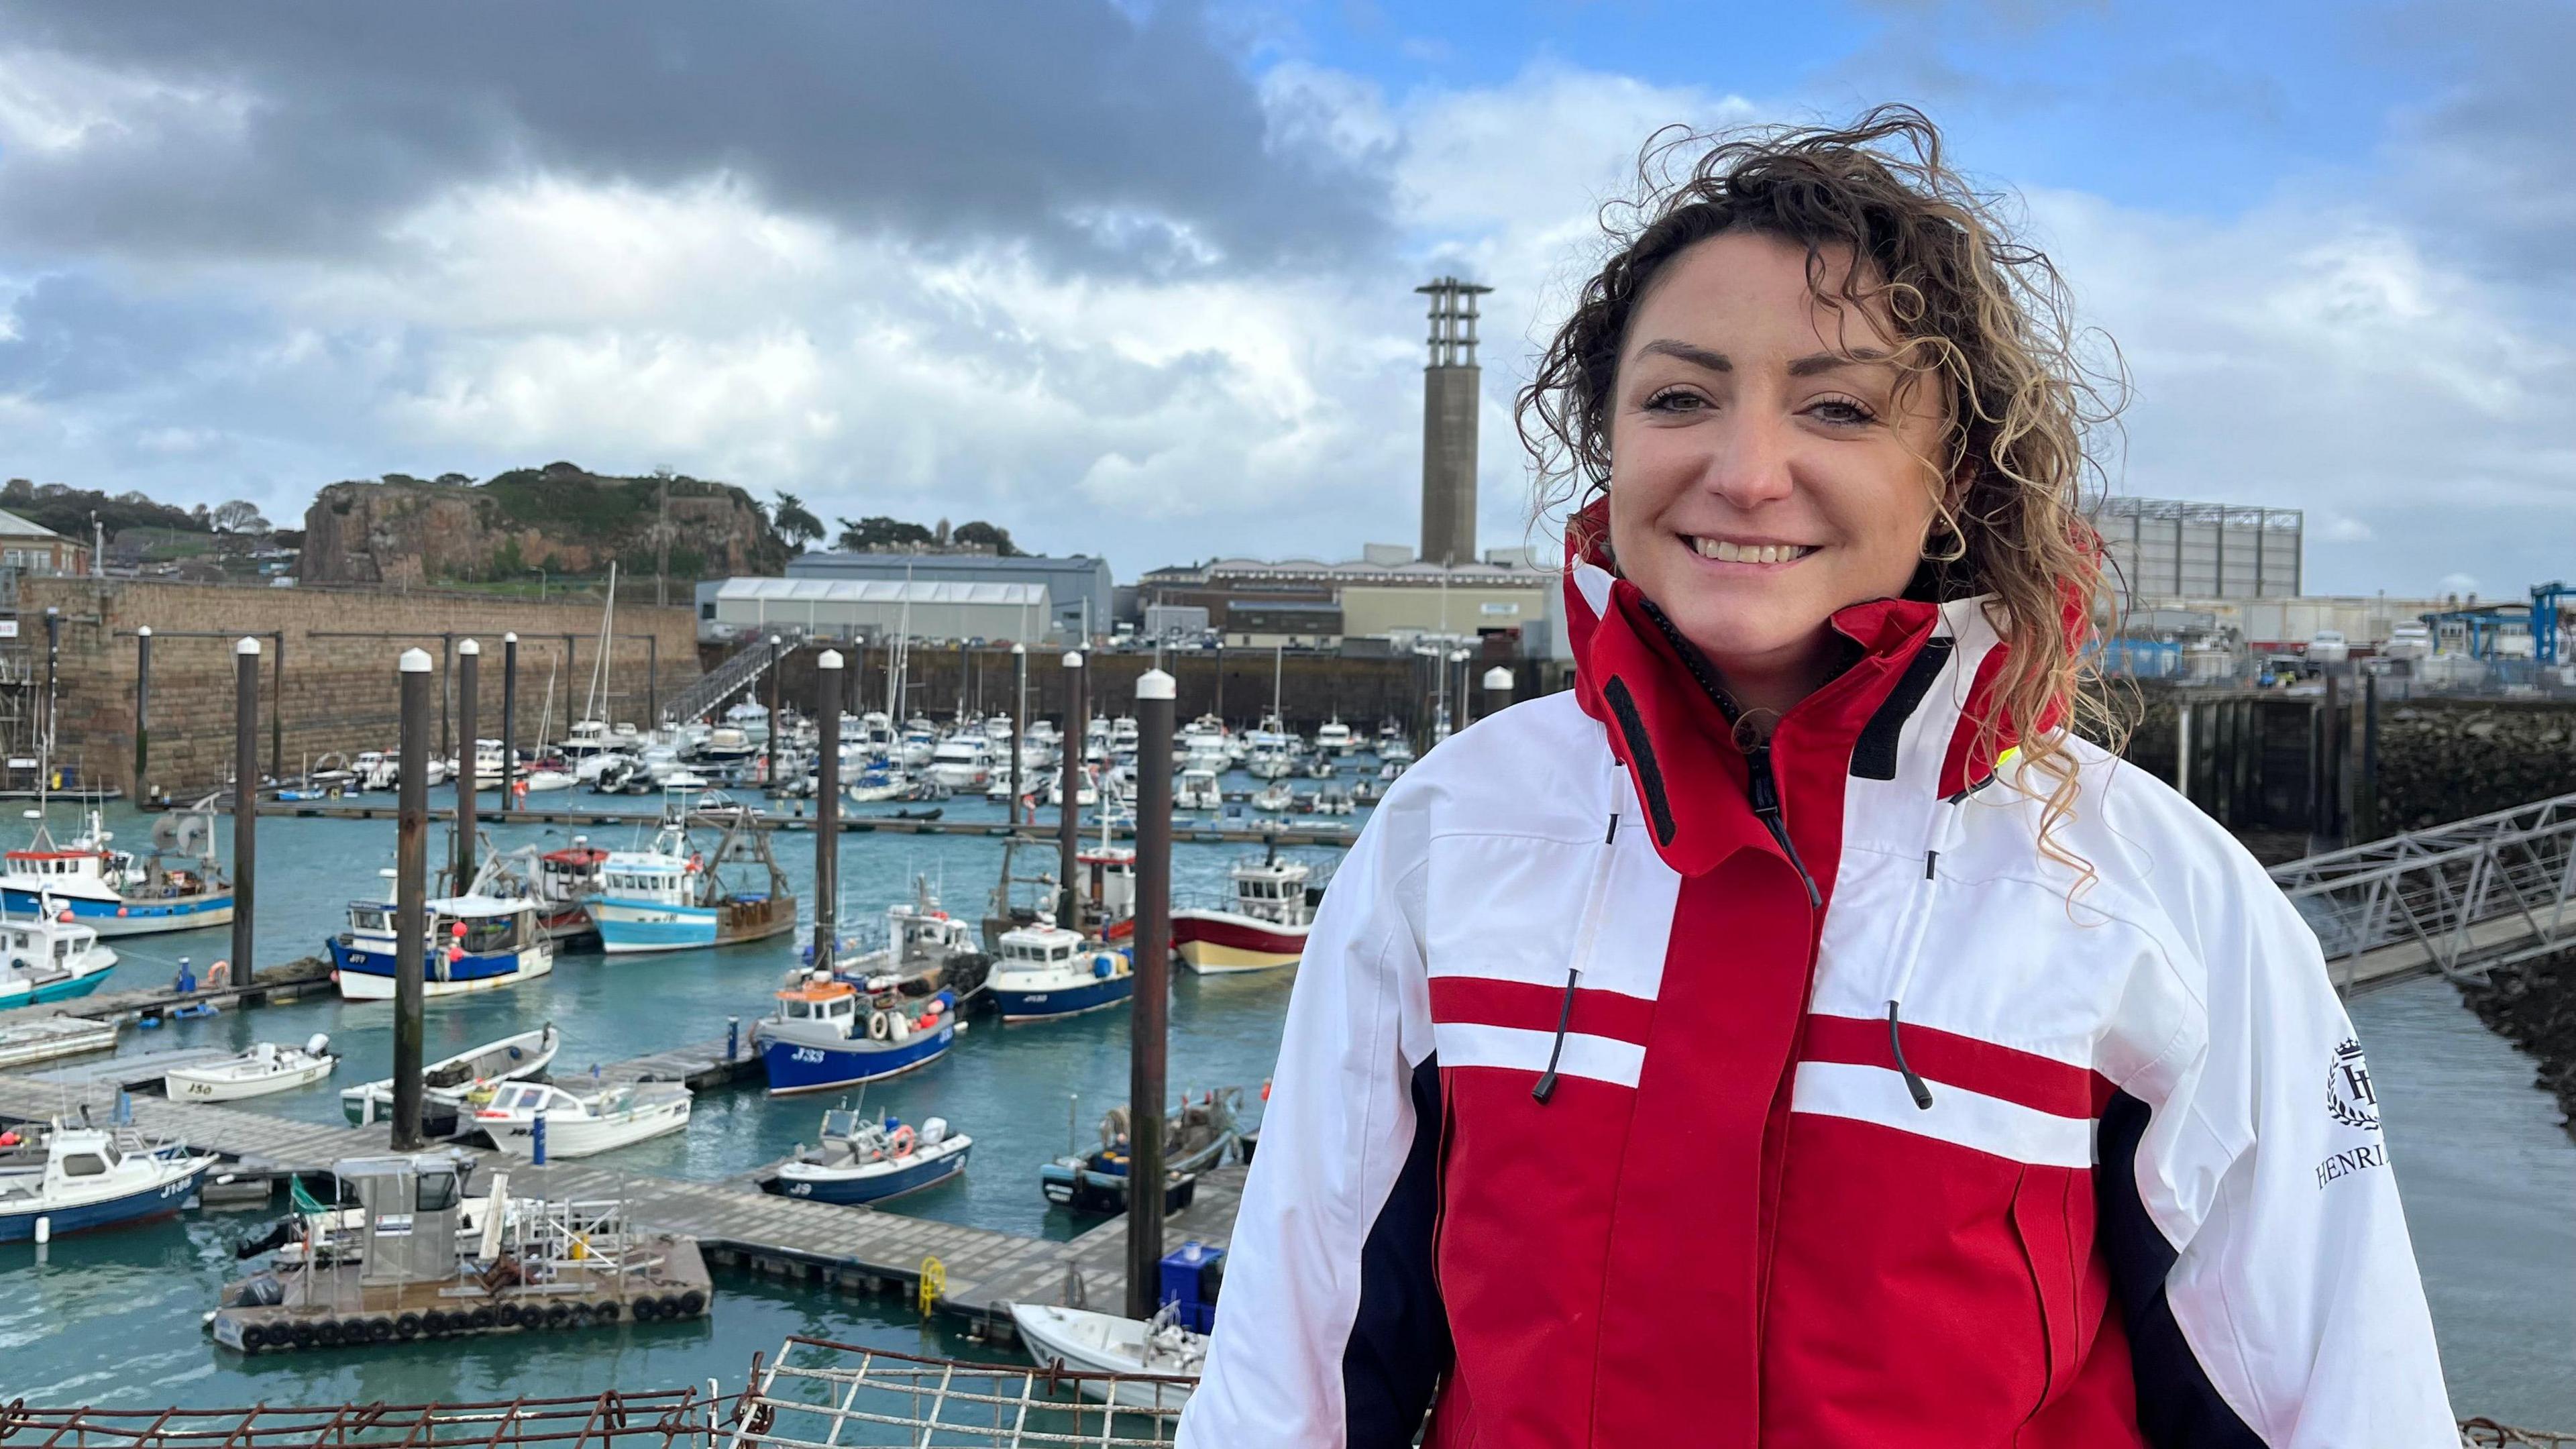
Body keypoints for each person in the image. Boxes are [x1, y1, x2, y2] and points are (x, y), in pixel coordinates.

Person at [1179, 107, 2451, 1448]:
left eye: (1837, 407)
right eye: (1680, 398)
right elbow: (1292, 1378)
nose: (1745, 473)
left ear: (1955, 473)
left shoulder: (2162, 906)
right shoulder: (1455, 834)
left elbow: (2340, 1404)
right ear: (1607, 445)